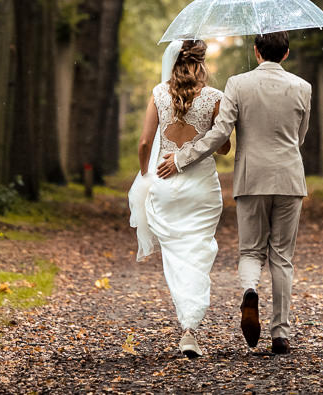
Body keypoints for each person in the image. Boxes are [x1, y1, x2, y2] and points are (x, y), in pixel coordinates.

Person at [157, 30, 312, 356]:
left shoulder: (237, 85)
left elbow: (219, 135)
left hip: (250, 179)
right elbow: (300, 137)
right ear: (285, 54)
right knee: (282, 257)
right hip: (289, 179)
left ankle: (250, 290)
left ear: (256, 51)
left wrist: (182, 158)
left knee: (251, 251)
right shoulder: (302, 87)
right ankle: (281, 333)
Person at [129, 39, 230, 358]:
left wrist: (146, 174)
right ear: (203, 63)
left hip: (165, 184)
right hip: (201, 188)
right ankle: (191, 326)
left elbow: (145, 142)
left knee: (174, 254)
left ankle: (187, 323)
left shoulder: (159, 94)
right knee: (198, 250)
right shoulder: (216, 98)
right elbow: (224, 146)